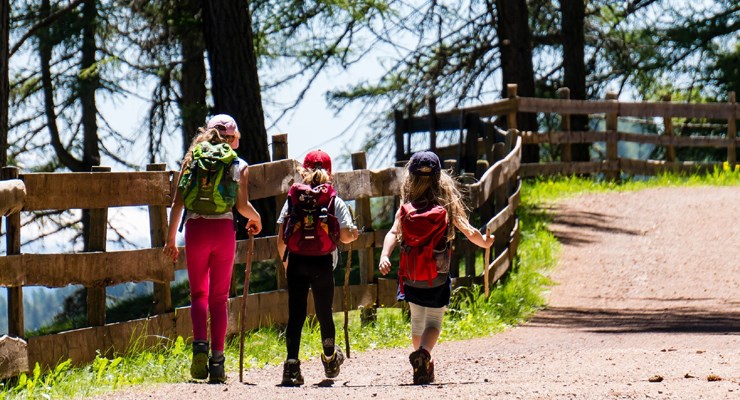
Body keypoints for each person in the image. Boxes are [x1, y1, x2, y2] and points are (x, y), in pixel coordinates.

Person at [378, 150, 494, 385]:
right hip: (437, 276)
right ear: (439, 177)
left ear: (410, 178)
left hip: (411, 276)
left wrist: (384, 255)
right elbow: (468, 230)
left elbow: (393, 232)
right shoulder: (446, 203)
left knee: (417, 322)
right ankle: (424, 355)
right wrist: (484, 242)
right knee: (434, 323)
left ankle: (422, 364)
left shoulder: (407, 204)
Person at [163, 114, 262, 383]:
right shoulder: (238, 164)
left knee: (198, 295)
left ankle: (199, 347)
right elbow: (241, 207)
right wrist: (257, 218)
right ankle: (217, 361)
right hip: (223, 231)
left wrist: (171, 240)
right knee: (219, 298)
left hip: (196, 230)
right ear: (234, 138)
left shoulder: (192, 159)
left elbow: (178, 204)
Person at [276, 149, 359, 386]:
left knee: (296, 315)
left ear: (304, 171)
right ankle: (330, 359)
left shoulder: (293, 199)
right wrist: (353, 235)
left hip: (297, 261)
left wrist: (285, 263)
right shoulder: (334, 200)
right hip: (323, 262)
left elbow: (281, 238)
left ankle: (291, 366)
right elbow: (344, 236)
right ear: (330, 173)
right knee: (324, 313)